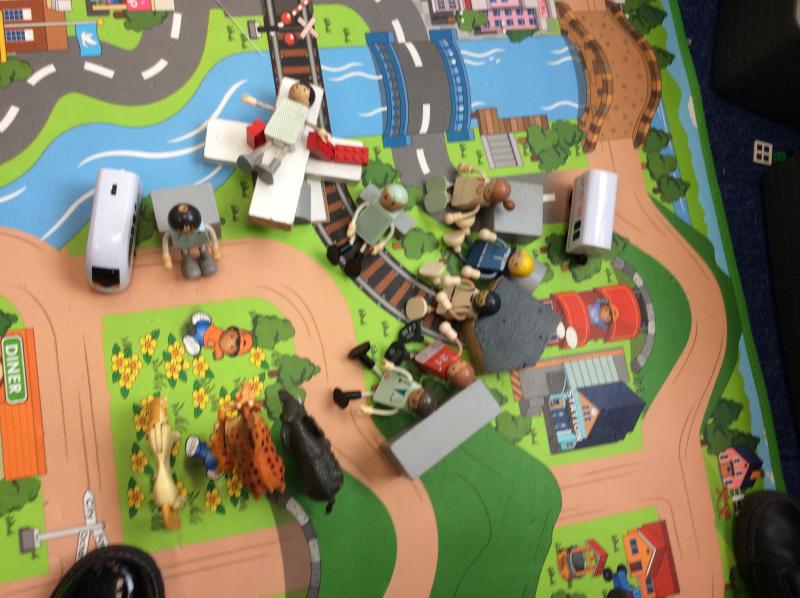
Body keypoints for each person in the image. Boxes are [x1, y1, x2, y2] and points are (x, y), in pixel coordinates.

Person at [237, 81, 332, 184]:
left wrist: (320, 131)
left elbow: (307, 123)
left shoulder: (303, 111)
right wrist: (254, 102)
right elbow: (271, 108)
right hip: (275, 130)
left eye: (304, 90)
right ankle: (251, 158)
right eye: (295, 87)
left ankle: (270, 168)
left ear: (309, 101)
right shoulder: (284, 104)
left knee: (281, 151)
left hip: (289, 136)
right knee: (268, 145)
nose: (297, 89)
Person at [326, 184, 408, 278]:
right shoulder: (374, 203)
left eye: (393, 203)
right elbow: (361, 208)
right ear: (384, 192)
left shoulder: (390, 218)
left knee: (361, 248)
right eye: (386, 197)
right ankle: (339, 251)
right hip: (360, 226)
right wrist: (352, 224)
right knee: (351, 242)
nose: (388, 201)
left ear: (399, 207)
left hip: (371, 235)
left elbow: (391, 231)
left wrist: (380, 245)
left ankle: (354, 264)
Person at [162, 203, 220, 280]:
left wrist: (215, 250)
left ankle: (205, 254)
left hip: (200, 241)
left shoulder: (200, 228)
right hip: (183, 245)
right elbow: (165, 239)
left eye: (190, 229)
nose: (187, 231)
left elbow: (211, 231)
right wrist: (167, 258)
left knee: (203, 246)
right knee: (185, 251)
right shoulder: (174, 232)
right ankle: (187, 260)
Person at [182, 312, 253, 360]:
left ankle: (189, 340)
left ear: (229, 353)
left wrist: (214, 346)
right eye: (232, 336)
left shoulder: (218, 348)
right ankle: (197, 319)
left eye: (231, 347)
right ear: (231, 329)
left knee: (195, 350)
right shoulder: (220, 331)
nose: (227, 342)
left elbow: (218, 356)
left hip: (199, 340)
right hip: (205, 325)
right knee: (207, 319)